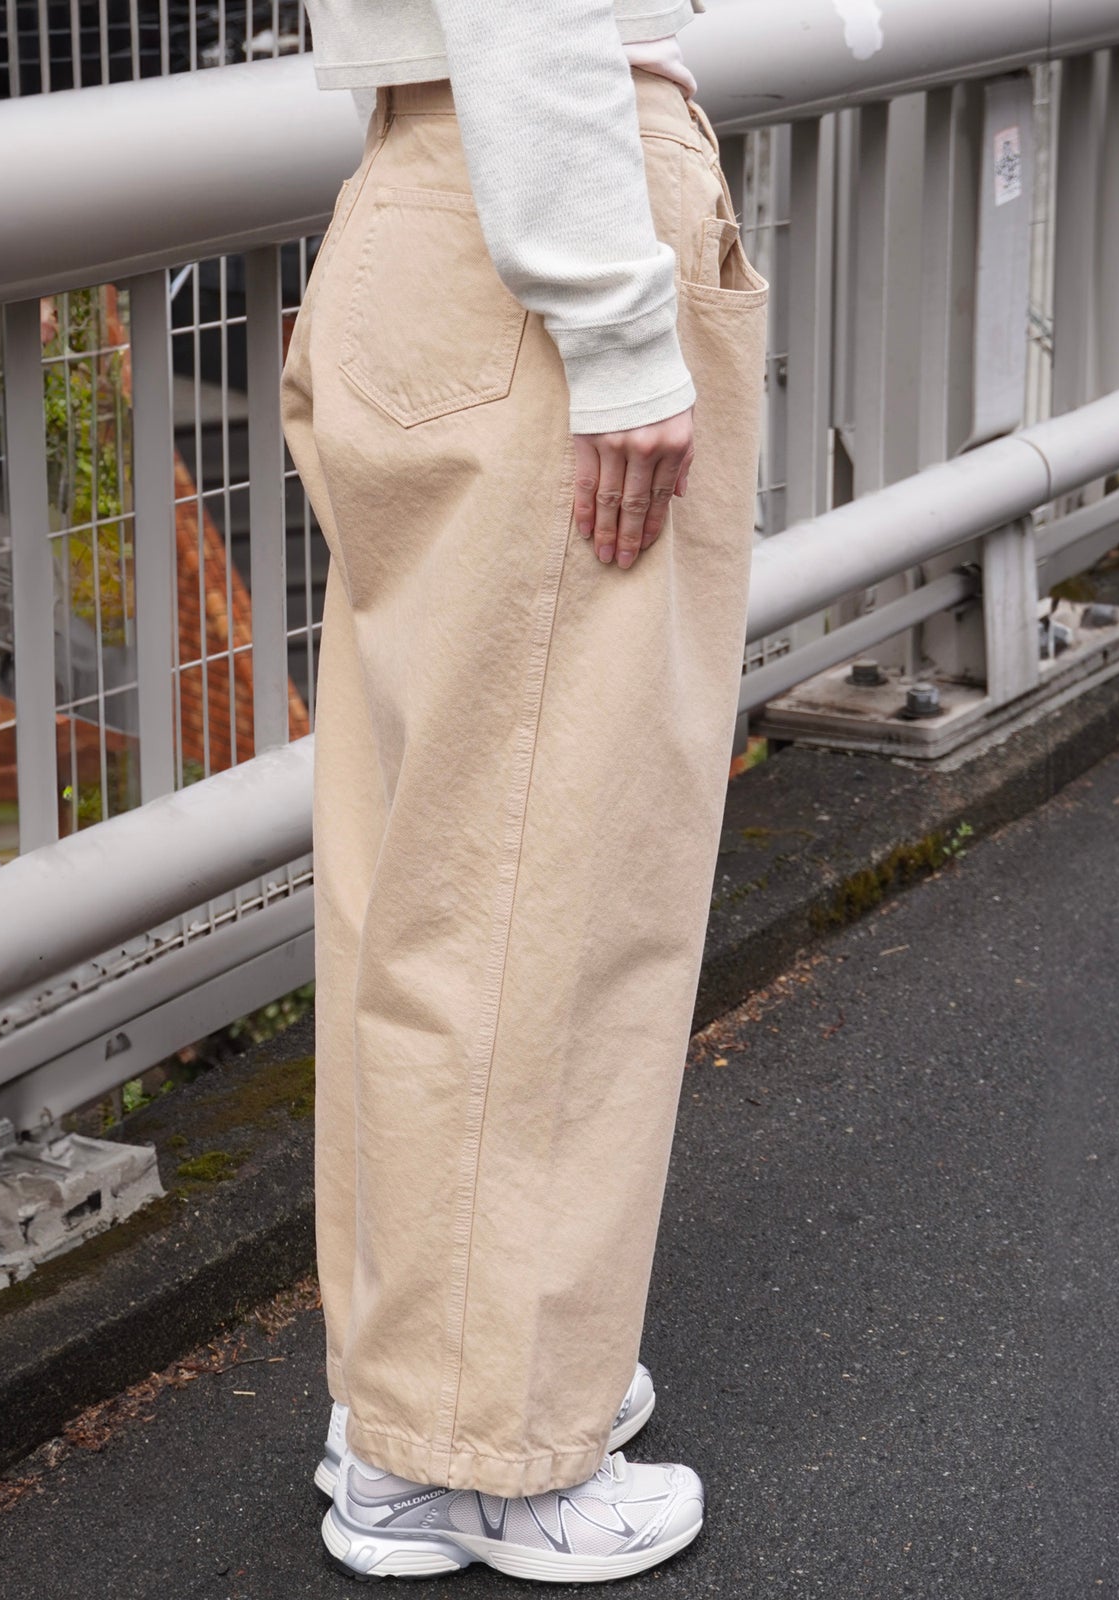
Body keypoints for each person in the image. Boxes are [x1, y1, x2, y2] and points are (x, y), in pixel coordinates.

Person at [279, 0, 767, 1582]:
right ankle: (478, 1456)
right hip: (546, 204)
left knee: (431, 868)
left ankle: (420, 1394)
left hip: (440, 191)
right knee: (547, 878)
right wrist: (621, 331)